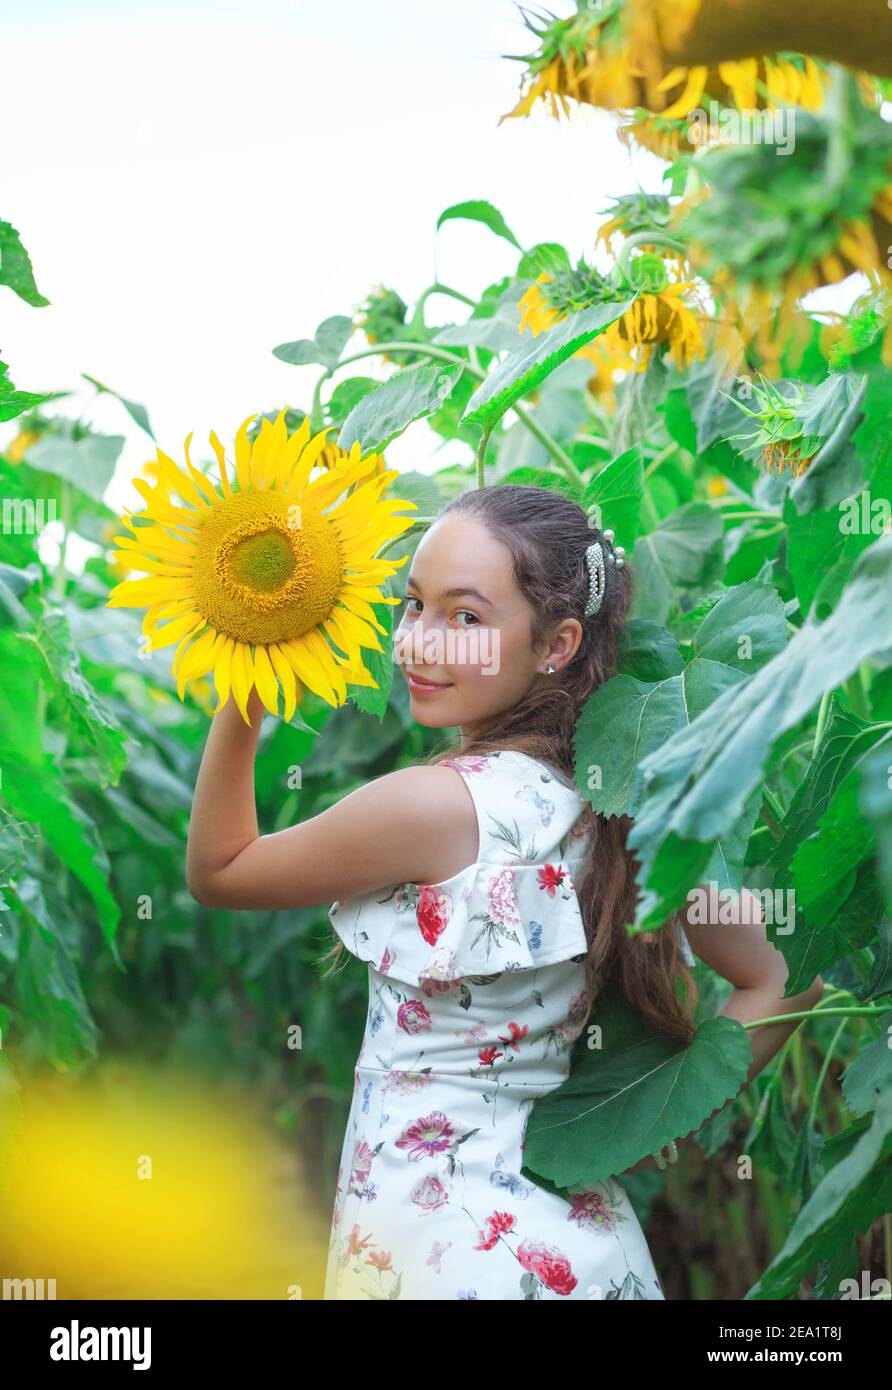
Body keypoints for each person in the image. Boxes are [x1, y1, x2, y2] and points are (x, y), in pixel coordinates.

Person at [186, 483, 823, 1300]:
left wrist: (252, 662)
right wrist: (647, 1127)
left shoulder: (431, 806)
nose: (419, 642)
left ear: (556, 642)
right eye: (414, 606)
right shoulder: (619, 806)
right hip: (586, 1253)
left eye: (466, 618)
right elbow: (782, 976)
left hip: (442, 1257)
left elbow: (220, 869)